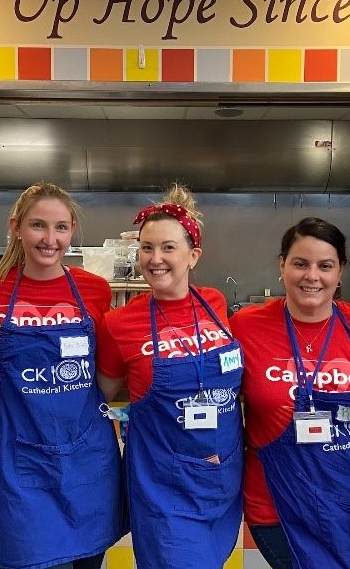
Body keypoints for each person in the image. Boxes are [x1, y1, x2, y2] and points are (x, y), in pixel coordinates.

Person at [0, 183, 125, 569]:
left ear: (71, 231)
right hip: (19, 458)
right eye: (38, 225)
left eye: (61, 228)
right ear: (16, 227)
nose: (50, 239)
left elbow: (108, 371)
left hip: (87, 454)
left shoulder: (95, 290)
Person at [231, 217, 350, 569]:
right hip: (280, 507)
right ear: (282, 266)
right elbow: (208, 386)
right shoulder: (246, 327)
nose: (312, 276)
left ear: (340, 272)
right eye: (300, 264)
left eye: (325, 266)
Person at [96, 184, 243, 569]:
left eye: (168, 248)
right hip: (163, 485)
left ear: (193, 256)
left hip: (220, 476)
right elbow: (99, 394)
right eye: (147, 248)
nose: (155, 259)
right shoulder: (119, 323)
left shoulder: (214, 303)